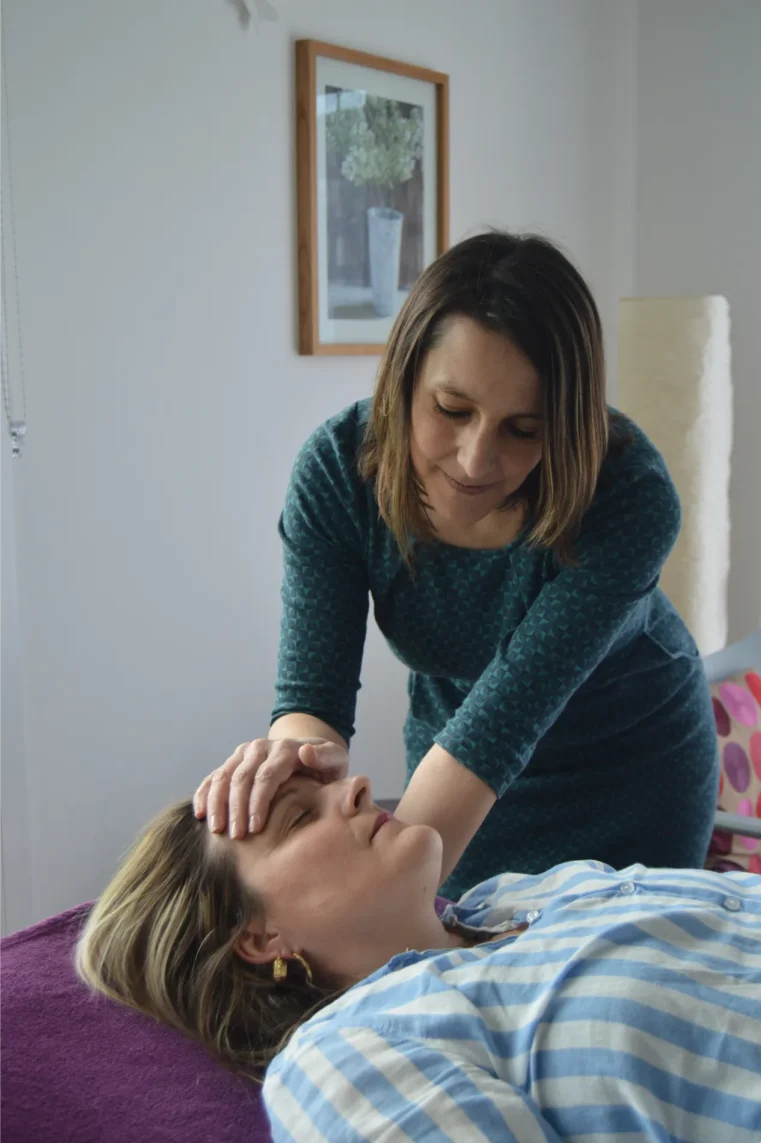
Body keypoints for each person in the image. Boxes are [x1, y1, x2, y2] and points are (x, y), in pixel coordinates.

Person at [195, 231, 719, 900]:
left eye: (523, 429)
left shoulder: (626, 494)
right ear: (403, 378)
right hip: (452, 763)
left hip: (630, 777)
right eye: (451, 409)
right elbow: (312, 709)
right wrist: (289, 767)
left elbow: (503, 724)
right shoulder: (339, 474)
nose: (476, 460)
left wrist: (370, 904)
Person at [78, 775, 761, 1143]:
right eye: (299, 816)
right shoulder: (344, 1054)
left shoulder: (520, 894)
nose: (355, 787)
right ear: (256, 937)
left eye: (330, 782)